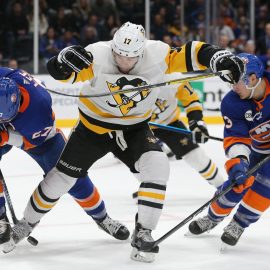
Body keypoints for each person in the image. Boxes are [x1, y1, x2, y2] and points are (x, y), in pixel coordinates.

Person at [11, 22, 244, 262]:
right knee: (61, 178)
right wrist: (61, 61)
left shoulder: (158, 53)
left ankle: (144, 231)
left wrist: (218, 56)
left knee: (158, 166)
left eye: (130, 57)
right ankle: (26, 223)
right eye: (118, 54)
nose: (123, 61)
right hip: (93, 129)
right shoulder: (98, 53)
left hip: (135, 128)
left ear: (142, 51)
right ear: (113, 46)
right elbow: (63, 73)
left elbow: (192, 52)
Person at [0, 67, 129, 252]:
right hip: (9, 128)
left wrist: (4, 137)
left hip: (41, 140)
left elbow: (28, 142)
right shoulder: (5, 78)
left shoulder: (38, 108)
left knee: (72, 178)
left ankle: (102, 218)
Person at [188, 53, 270, 248]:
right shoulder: (232, 102)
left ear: (252, 78)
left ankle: (238, 224)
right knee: (237, 183)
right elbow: (237, 138)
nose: (233, 87)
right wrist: (239, 163)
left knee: (266, 187)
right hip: (254, 149)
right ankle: (212, 217)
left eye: (237, 82)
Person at [132, 76, 224, 199]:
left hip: (169, 121)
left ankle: (222, 185)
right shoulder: (132, 72)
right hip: (140, 126)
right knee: (139, 159)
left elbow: (191, 100)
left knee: (195, 156)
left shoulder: (173, 75)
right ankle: (149, 186)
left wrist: (196, 121)